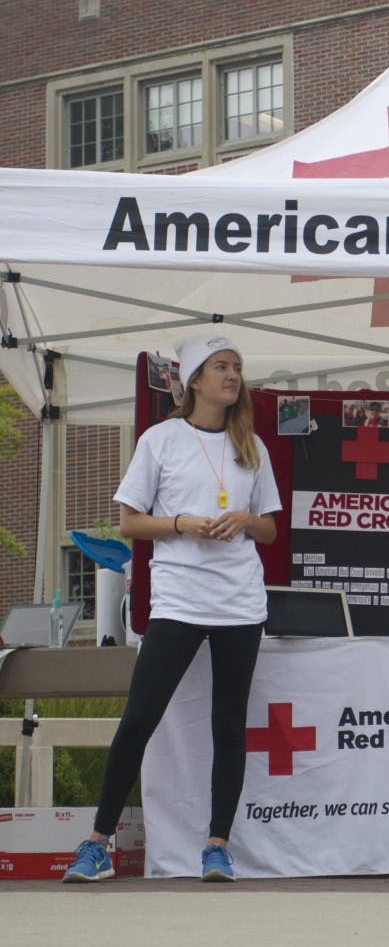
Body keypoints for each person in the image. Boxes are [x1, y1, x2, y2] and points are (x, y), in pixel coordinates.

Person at [62, 335, 281, 884]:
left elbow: (271, 529)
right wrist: (183, 523)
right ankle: (97, 843)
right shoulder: (160, 440)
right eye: (221, 366)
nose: (232, 375)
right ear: (194, 381)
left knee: (228, 724)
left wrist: (245, 522)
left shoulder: (251, 445)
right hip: (180, 599)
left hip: (239, 602)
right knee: (140, 717)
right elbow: (130, 523)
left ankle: (216, 846)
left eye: (237, 367)